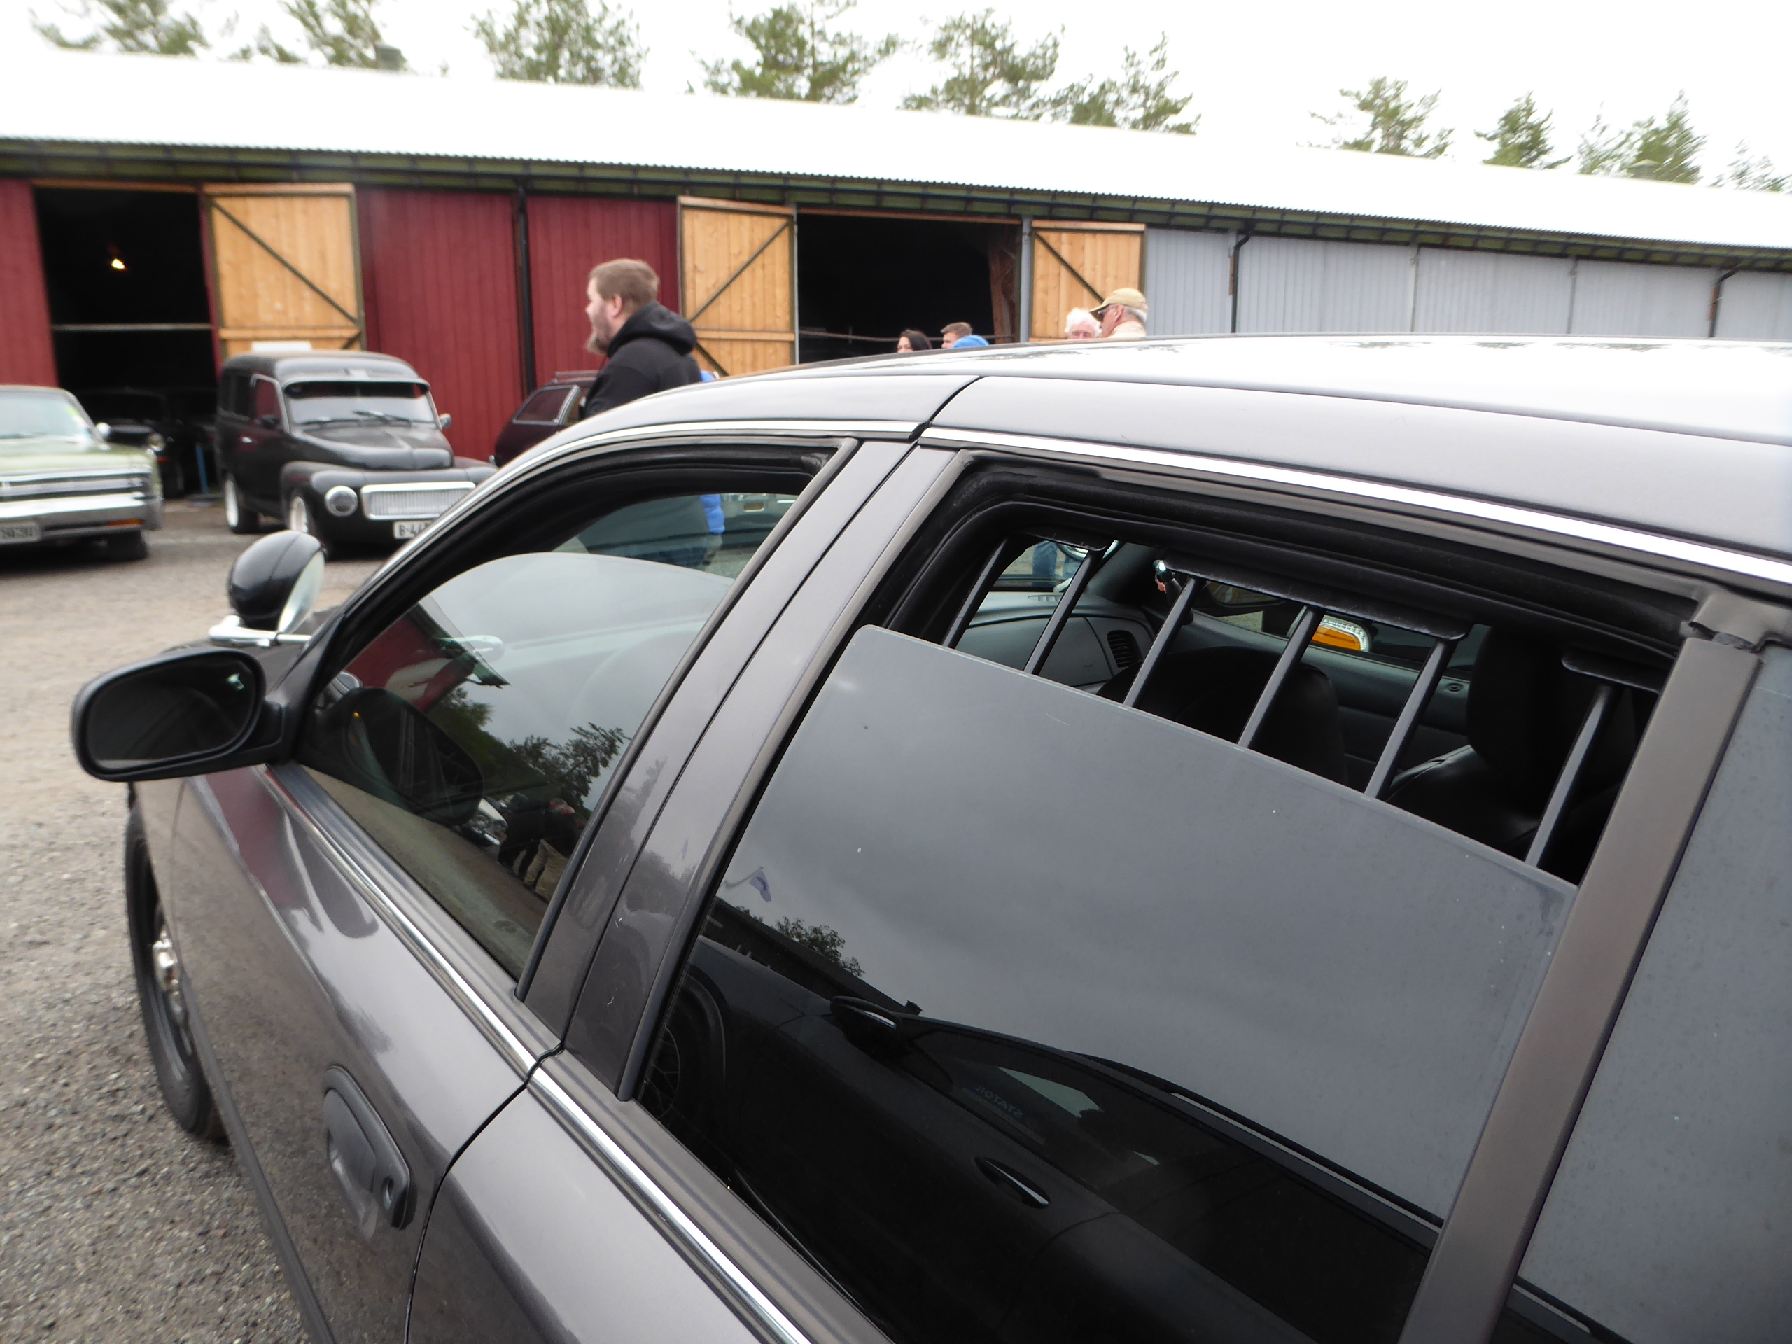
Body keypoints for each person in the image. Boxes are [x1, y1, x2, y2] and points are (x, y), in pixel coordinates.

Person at [580, 258, 702, 418]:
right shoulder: (683, 357)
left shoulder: (630, 366)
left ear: (615, 304)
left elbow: (603, 431)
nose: (587, 309)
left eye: (592, 300)